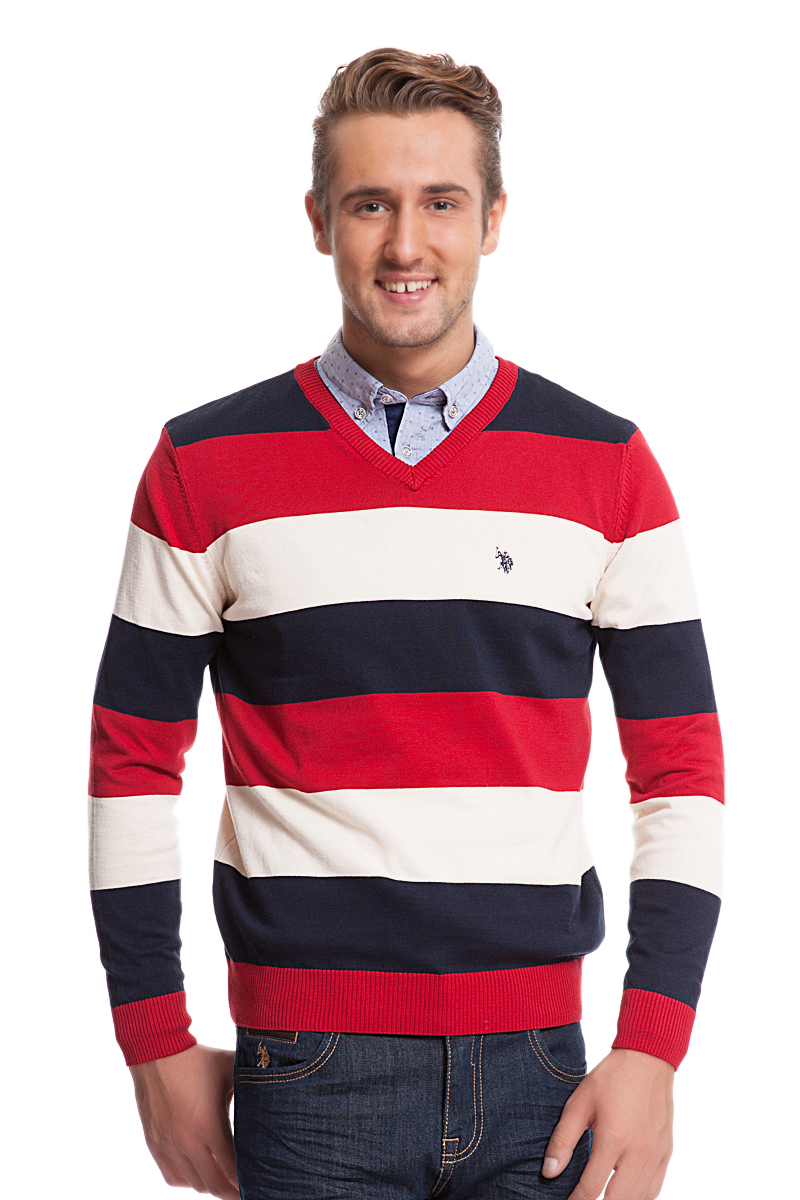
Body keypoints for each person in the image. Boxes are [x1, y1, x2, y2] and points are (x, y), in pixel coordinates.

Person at [88, 47, 724, 1200]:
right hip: (305, 1073)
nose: (403, 245)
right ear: (317, 220)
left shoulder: (606, 467)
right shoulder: (203, 465)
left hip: (542, 1073)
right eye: (369, 204)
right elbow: (131, 760)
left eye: (439, 202)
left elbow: (678, 768)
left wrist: (651, 1047)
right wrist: (152, 1045)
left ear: (491, 220)